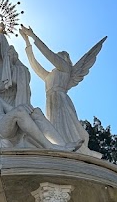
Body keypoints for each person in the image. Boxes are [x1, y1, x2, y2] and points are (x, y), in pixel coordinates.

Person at [19, 26, 106, 156]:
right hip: (51, 102)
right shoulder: (50, 75)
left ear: (64, 59)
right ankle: (61, 148)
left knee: (65, 128)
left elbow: (48, 54)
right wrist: (27, 43)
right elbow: (34, 65)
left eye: (60, 56)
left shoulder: (65, 69)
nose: (57, 57)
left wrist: (33, 36)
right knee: (54, 129)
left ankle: (71, 148)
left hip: (61, 100)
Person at [0, 71, 78, 152]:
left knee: (36, 112)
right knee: (18, 112)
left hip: (5, 124)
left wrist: (26, 109)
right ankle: (50, 147)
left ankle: (63, 145)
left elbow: (8, 109)